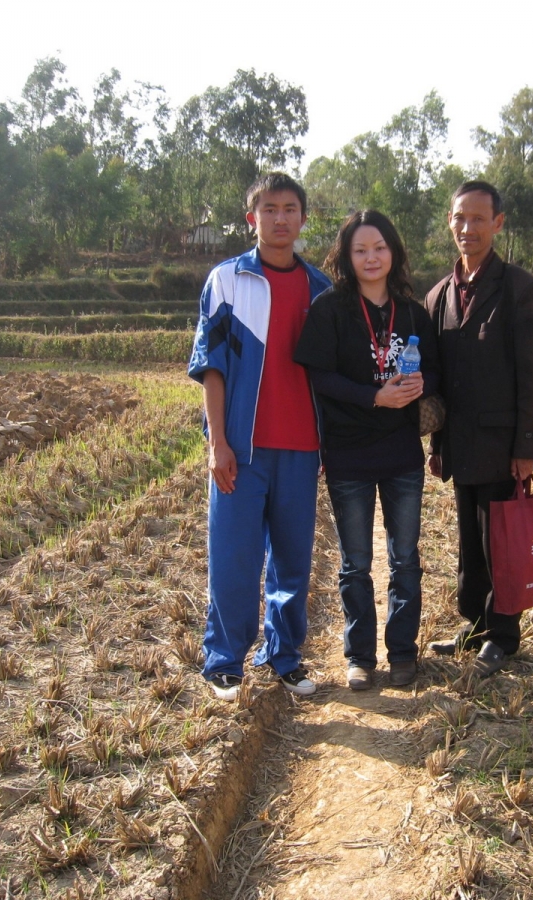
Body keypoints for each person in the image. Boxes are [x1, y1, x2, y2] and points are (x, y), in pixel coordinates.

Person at [187, 172, 332, 701]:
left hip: (301, 447)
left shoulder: (322, 290)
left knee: (293, 560)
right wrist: (217, 442)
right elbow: (212, 366)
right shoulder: (227, 280)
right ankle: (224, 660)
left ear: (303, 218)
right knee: (235, 556)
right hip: (242, 449)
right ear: (252, 219)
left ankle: (284, 655)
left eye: (290, 208)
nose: (280, 218)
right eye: (269, 209)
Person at [294, 210, 440, 690]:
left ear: (393, 251)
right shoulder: (329, 309)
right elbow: (319, 376)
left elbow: (438, 371)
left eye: (379, 248)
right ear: (347, 256)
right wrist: (374, 396)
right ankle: (359, 656)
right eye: (360, 250)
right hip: (348, 454)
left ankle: (402, 652)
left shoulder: (412, 311)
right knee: (355, 562)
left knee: (405, 559)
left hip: (401, 453)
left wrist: (419, 386)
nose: (371, 257)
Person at [424, 181, 533, 678]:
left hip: (502, 444)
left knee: (501, 541)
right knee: (470, 543)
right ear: (449, 221)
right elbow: (437, 381)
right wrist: (437, 443)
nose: (468, 228)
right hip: (460, 444)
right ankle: (475, 625)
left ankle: (502, 635)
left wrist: (527, 446)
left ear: (497, 223)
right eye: (460, 217)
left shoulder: (521, 290)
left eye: (479, 219)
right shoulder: (439, 295)